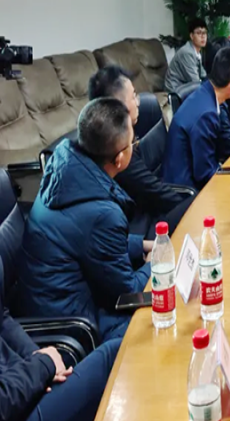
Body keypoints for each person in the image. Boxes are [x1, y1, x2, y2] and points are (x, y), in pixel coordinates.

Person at [19, 99, 153, 342]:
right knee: (159, 312)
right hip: (73, 324)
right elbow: (130, 293)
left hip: (50, 301)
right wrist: (155, 264)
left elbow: (89, 238)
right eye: (133, 141)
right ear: (120, 158)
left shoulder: (65, 168)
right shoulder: (102, 213)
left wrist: (143, 245)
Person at [0, 262, 122, 421]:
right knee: (115, 356)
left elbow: (1, 318)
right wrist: (42, 367)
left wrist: (39, 358)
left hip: (21, 394)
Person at [88, 66, 194, 239]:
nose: (138, 102)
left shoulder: (103, 137)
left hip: (143, 212)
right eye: (133, 96)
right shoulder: (117, 152)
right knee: (193, 204)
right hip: (136, 230)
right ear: (118, 107)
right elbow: (157, 194)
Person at [162, 47, 230, 190]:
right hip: (185, 191)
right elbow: (204, 174)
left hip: (189, 176)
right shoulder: (207, 114)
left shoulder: (205, 91)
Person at [164, 18, 207, 95]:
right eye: (199, 33)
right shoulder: (187, 52)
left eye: (204, 33)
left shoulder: (196, 52)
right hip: (174, 90)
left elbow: (203, 75)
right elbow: (195, 81)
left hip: (183, 86)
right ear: (191, 36)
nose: (203, 36)